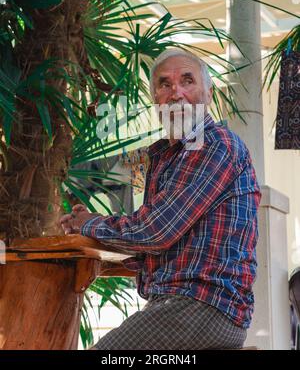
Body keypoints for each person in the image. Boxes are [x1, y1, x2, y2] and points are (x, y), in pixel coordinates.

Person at [59, 48, 261, 350]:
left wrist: (89, 223)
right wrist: (92, 231)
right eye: (164, 84)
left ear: (208, 94)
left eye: (187, 81)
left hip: (201, 306)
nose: (175, 92)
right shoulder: (167, 155)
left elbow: (155, 231)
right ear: (156, 99)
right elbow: (155, 246)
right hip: (181, 307)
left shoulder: (214, 144)